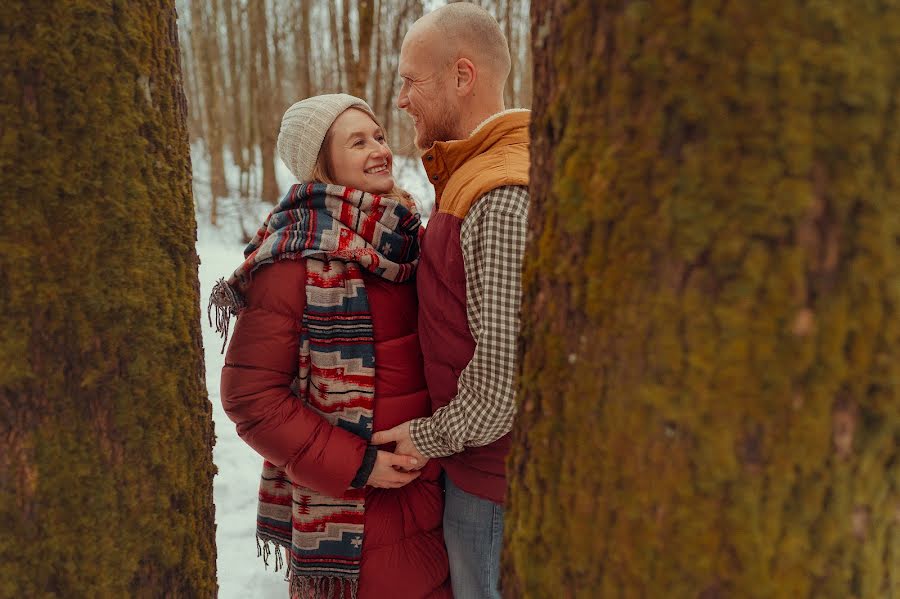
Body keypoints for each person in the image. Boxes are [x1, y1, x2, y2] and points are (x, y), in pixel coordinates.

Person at [210, 94, 452, 599]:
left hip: (432, 492)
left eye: (380, 136)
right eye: (357, 142)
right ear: (322, 164)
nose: (379, 150)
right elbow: (251, 397)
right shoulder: (294, 259)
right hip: (354, 515)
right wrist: (357, 465)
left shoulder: (406, 238)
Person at [371, 4, 531, 599]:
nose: (402, 100)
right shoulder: (471, 176)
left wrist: (426, 437)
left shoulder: (499, 193)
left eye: (411, 80)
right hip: (480, 477)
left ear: (463, 77)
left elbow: (500, 388)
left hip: (494, 487)